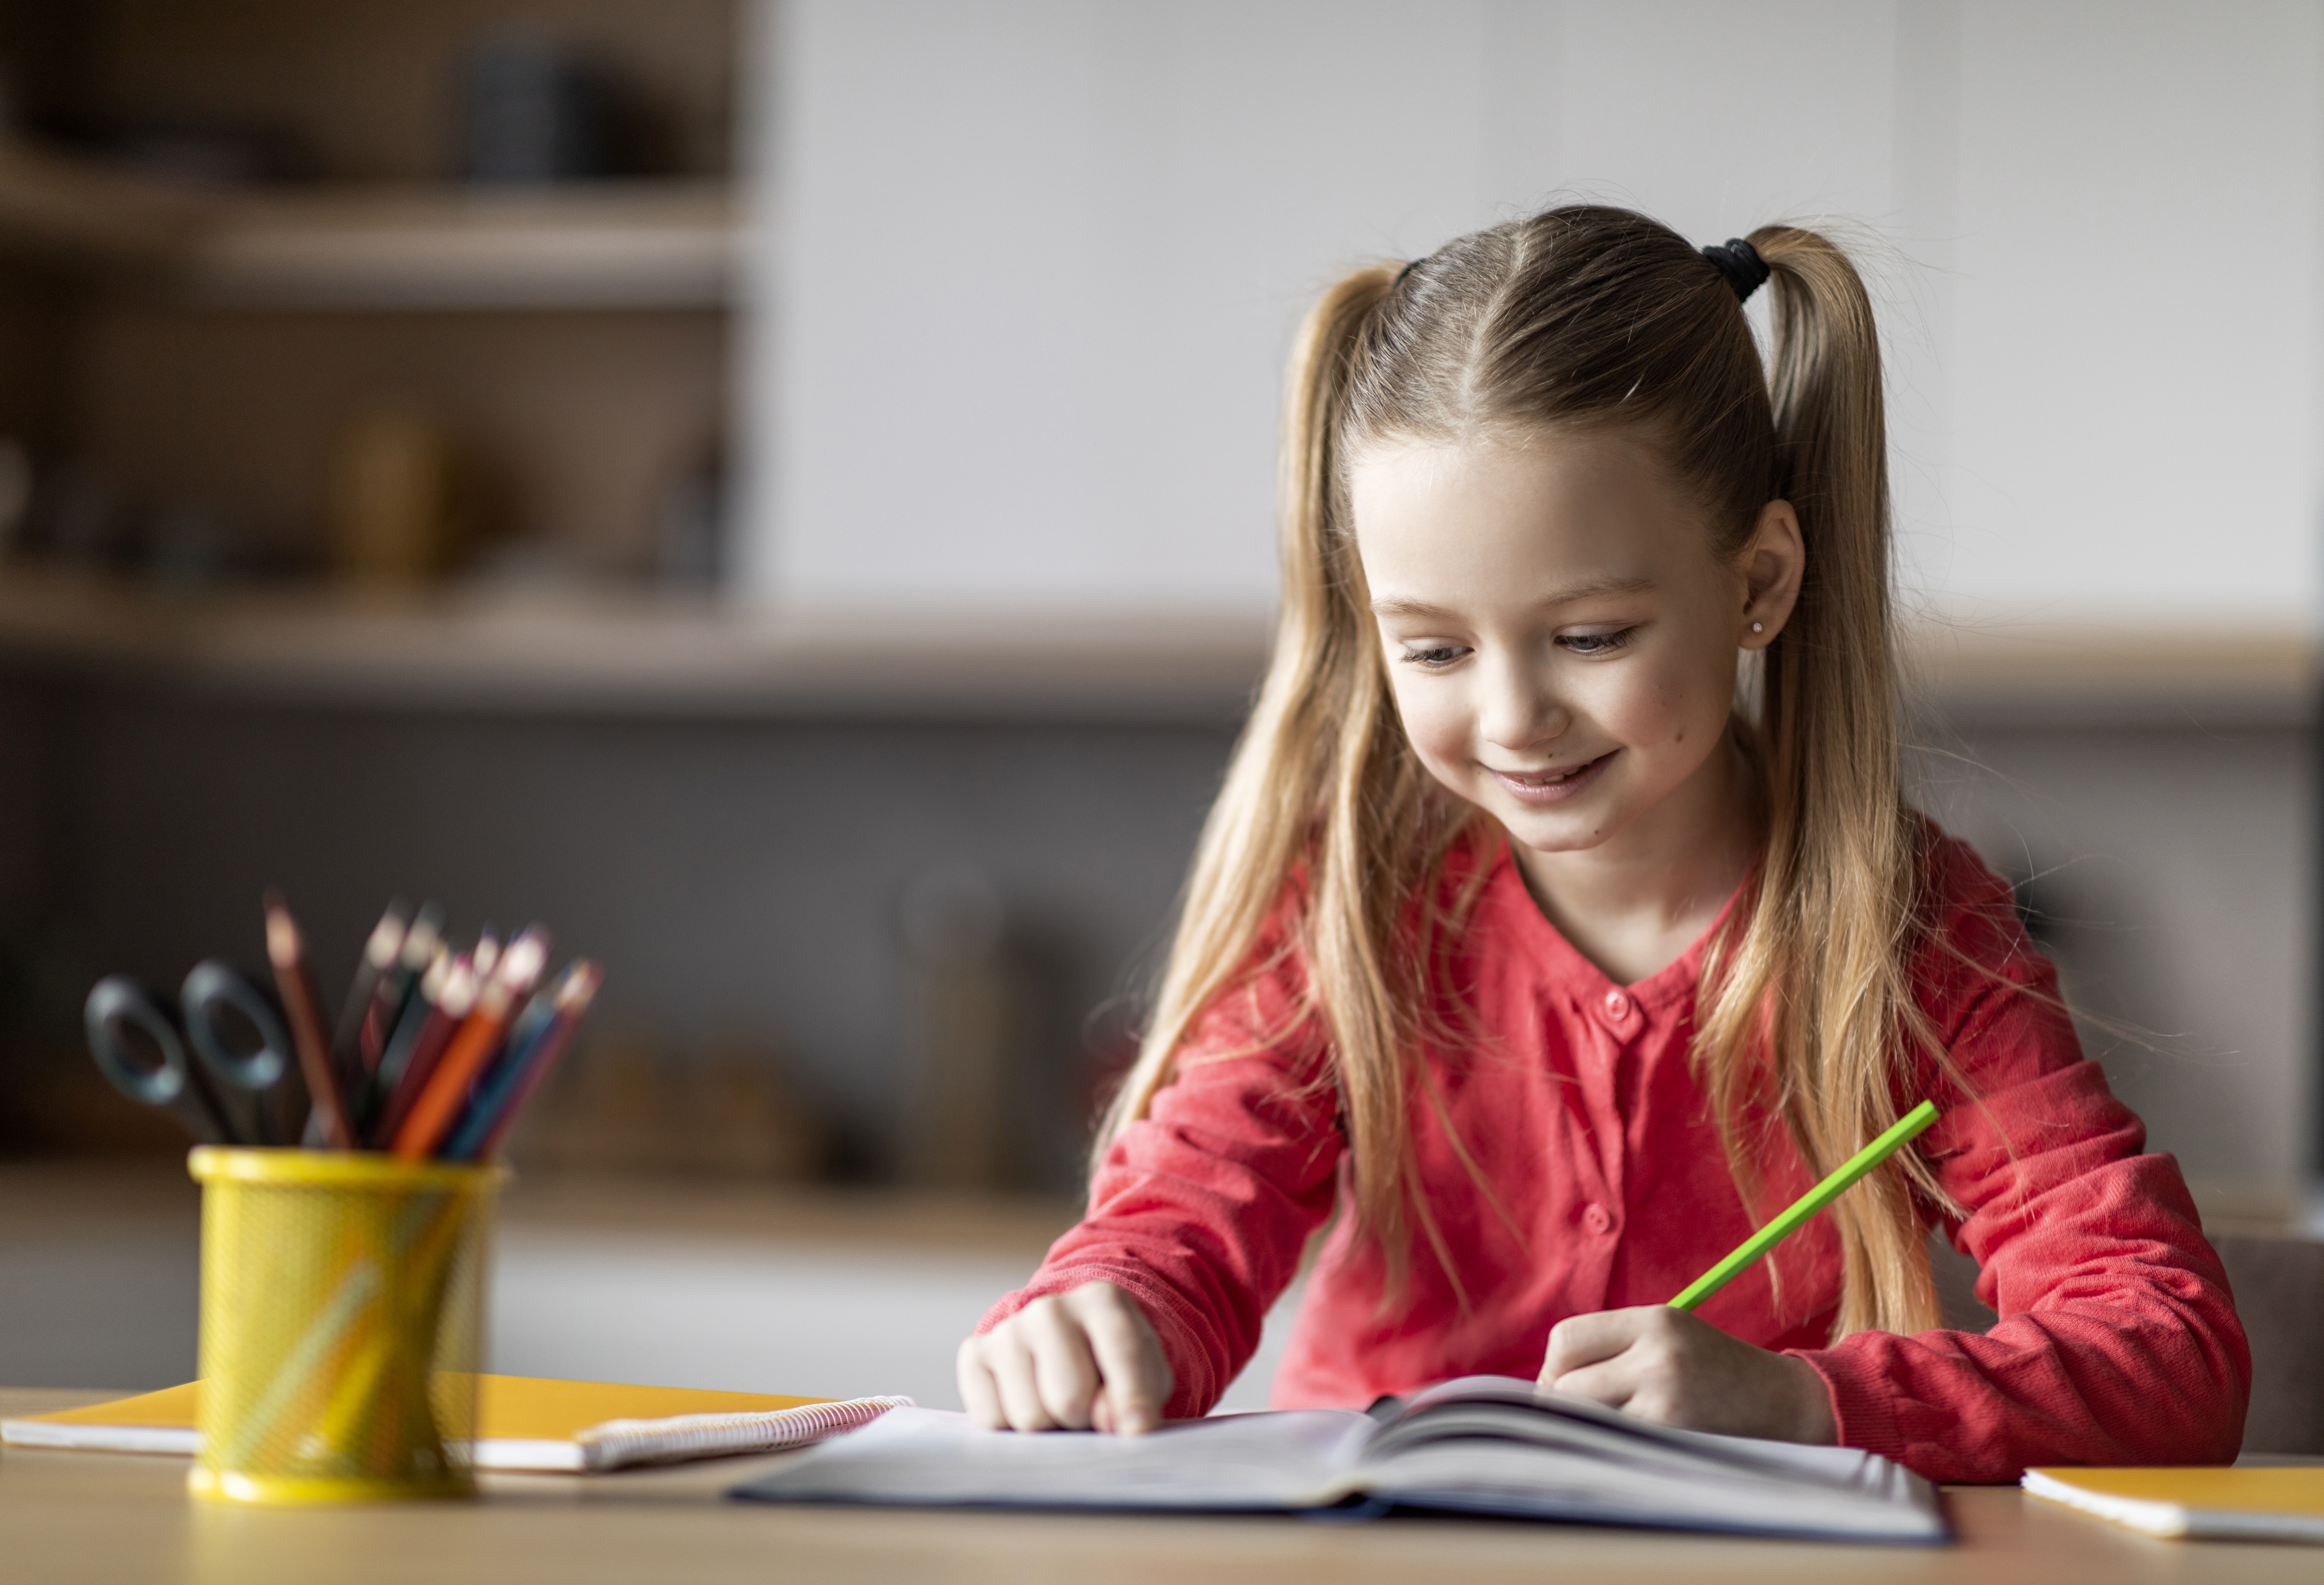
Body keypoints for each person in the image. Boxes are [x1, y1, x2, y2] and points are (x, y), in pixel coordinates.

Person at [955, 207, 2248, 1482]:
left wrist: (1804, 1401)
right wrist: (1107, 1308)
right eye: (1437, 649)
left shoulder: (1913, 938)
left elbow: (2171, 1353)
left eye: (1590, 638)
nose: (1513, 718)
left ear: (1758, 584)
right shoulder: (1354, 915)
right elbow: (1178, 1224)